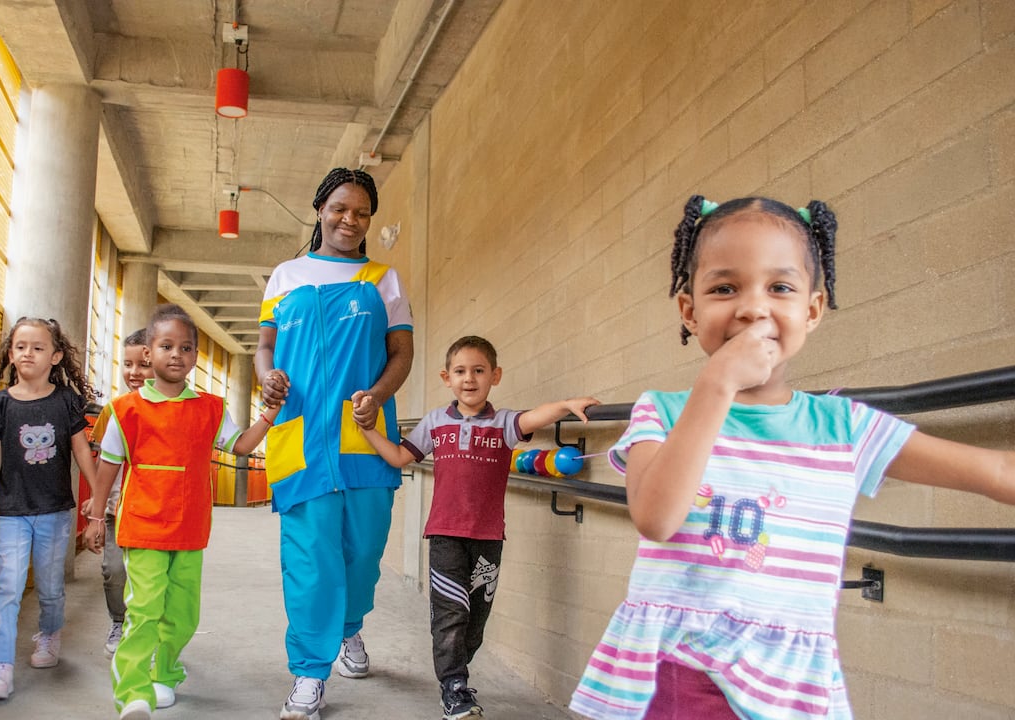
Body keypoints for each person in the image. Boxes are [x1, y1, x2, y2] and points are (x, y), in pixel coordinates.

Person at [569, 195, 1015, 720]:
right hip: (683, 669)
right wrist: (716, 385)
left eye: (779, 287)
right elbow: (656, 517)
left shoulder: (845, 427)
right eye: (724, 288)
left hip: (792, 687)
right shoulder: (661, 414)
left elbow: (997, 470)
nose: (753, 307)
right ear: (689, 310)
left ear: (812, 309)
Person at [353, 335, 599, 720]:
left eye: (479, 371)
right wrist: (368, 431)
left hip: (488, 538)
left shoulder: (503, 424)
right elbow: (401, 455)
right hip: (446, 534)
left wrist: (567, 405)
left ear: (495, 376)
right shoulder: (436, 422)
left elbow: (534, 417)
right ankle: (453, 686)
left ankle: (455, 671)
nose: (470, 379)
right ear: (446, 377)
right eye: (461, 371)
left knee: (475, 621)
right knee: (451, 612)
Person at [255, 167, 414, 720]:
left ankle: (349, 627)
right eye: (340, 207)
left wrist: (376, 392)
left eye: (362, 212)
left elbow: (401, 354)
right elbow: (264, 347)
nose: (350, 219)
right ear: (320, 208)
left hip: (364, 435)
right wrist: (266, 375)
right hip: (300, 439)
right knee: (309, 560)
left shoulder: (382, 279)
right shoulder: (286, 275)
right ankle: (308, 672)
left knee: (363, 554)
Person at [82, 304, 278, 720]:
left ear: (195, 357)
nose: (176, 354)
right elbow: (108, 467)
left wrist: (269, 416)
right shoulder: (125, 409)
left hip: (190, 529)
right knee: (145, 609)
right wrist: (97, 517)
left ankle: (164, 673)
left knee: (184, 614)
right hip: (142, 526)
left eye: (186, 348)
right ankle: (133, 691)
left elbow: (240, 446)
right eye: (166, 346)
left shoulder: (210, 407)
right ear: (148, 353)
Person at [0, 317, 99, 701]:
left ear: (56, 356)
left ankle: (48, 633)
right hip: (10, 511)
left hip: (54, 511)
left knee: (49, 588)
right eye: (21, 346)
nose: (28, 353)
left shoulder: (65, 401)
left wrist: (99, 495)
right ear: (11, 353)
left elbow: (81, 450)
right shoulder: (0, 404)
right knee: (7, 586)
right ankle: (0, 666)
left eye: (38, 347)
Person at [82, 328, 153, 656]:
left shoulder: (171, 409)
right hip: (116, 509)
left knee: (151, 579)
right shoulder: (114, 410)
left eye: (143, 364)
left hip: (154, 512)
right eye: (127, 364)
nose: (134, 373)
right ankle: (118, 619)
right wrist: (97, 503)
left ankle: (150, 630)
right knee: (113, 571)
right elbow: (104, 463)